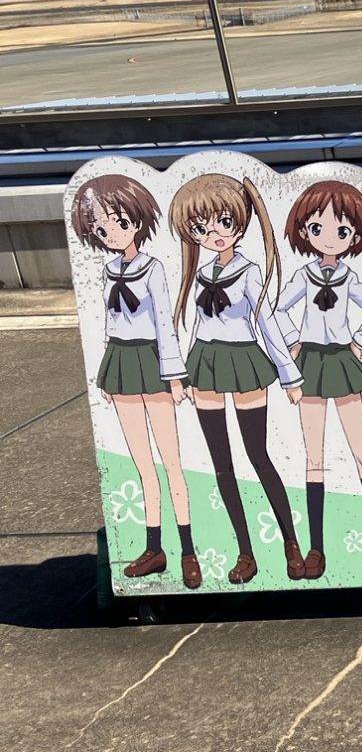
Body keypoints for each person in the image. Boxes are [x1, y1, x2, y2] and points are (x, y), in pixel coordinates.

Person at [170, 173, 304, 583]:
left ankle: (291, 543)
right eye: (200, 228)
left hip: (244, 361)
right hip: (205, 362)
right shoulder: (201, 273)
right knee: (222, 464)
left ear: (240, 223)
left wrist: (289, 376)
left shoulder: (249, 271)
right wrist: (183, 371)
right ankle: (246, 553)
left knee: (257, 455)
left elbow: (266, 322)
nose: (213, 234)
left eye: (223, 223)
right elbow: (198, 324)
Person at [70, 175, 201, 588]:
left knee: (171, 462)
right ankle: (154, 548)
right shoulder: (109, 270)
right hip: (121, 362)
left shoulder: (153, 268)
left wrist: (174, 375)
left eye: (118, 222)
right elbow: (110, 323)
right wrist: (107, 370)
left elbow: (164, 321)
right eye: (100, 228)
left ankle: (189, 550)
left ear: (137, 221)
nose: (110, 233)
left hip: (151, 360)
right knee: (143, 465)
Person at [275, 180, 362, 579]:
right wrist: (293, 343)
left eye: (342, 230)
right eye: (317, 228)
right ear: (304, 231)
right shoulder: (303, 276)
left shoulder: (349, 278)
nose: (329, 237)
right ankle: (316, 549)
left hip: (341, 362)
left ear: (354, 236)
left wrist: (360, 342)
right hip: (311, 362)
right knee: (314, 458)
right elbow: (279, 311)